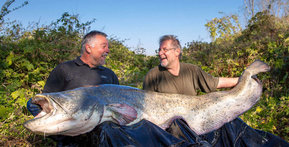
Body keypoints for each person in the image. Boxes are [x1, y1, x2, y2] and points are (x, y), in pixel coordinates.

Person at [143, 35, 289, 146]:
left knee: (232, 123)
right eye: (159, 49)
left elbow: (216, 83)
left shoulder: (192, 70)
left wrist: (244, 78)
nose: (160, 53)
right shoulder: (152, 75)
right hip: (170, 129)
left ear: (177, 51)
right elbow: (147, 106)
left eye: (164, 49)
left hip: (196, 119)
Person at [27, 30, 119, 146]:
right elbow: (47, 99)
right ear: (89, 48)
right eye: (104, 46)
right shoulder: (64, 69)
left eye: (107, 47)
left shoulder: (110, 74)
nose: (108, 50)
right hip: (70, 132)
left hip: (101, 133)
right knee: (31, 103)